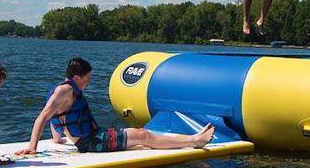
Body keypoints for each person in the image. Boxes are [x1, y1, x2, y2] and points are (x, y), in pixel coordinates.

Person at [15, 57, 215, 156]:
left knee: (141, 141)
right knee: (143, 135)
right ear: (76, 77)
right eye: (87, 78)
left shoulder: (62, 88)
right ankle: (194, 142)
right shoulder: (64, 91)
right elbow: (43, 116)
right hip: (91, 143)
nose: (89, 82)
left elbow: (57, 115)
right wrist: (32, 148)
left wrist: (57, 139)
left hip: (93, 137)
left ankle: (192, 138)